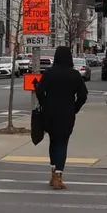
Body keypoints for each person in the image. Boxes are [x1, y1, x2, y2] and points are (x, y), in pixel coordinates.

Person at [34, 46, 89, 190]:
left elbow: (39, 91)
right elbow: (83, 95)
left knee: (53, 141)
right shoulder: (74, 75)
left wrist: (45, 104)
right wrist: (75, 108)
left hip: (50, 113)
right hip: (67, 113)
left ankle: (53, 174)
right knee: (62, 143)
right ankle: (58, 175)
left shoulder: (49, 73)